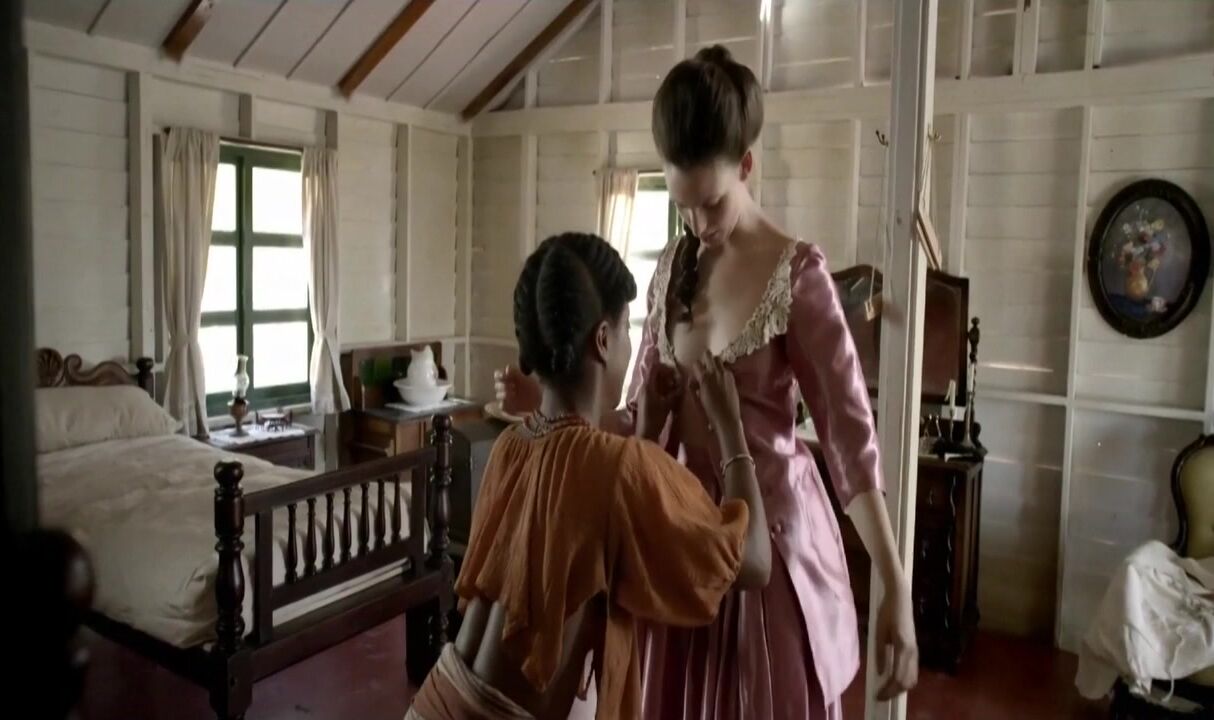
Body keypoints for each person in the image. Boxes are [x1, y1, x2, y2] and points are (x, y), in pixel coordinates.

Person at [496, 46, 918, 718]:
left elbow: (850, 444)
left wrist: (894, 583)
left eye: (711, 202)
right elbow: (635, 419)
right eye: (683, 206)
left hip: (768, 559)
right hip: (682, 546)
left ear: (747, 165)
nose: (698, 225)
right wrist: (542, 404)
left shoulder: (798, 275)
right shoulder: (671, 268)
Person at [407, 232, 771, 720]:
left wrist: (645, 430)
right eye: (626, 330)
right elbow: (754, 562)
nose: (630, 346)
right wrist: (730, 429)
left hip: (432, 703)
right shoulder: (616, 468)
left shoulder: (511, 446)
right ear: (602, 339)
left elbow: (593, 527)